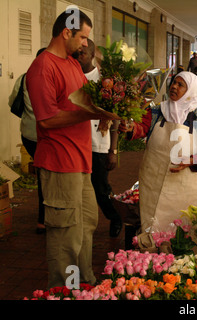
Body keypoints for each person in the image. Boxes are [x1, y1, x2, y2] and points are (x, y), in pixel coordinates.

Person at [26, 9, 104, 289]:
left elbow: (86, 101)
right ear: (66, 32)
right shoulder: (42, 67)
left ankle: (83, 284)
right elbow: (46, 121)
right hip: (59, 163)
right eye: (83, 37)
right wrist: (92, 114)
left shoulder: (72, 64)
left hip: (81, 162)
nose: (86, 43)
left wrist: (109, 106)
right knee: (64, 234)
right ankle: (63, 290)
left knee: (85, 226)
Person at [118, 71, 197, 250]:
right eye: (174, 82)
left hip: (188, 185)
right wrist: (130, 127)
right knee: (154, 225)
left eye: (181, 85)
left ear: (192, 91)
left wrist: (189, 161)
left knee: (186, 230)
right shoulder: (157, 111)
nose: (174, 87)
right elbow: (140, 129)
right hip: (154, 180)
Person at [74, 38, 122, 238]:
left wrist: (113, 151)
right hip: (75, 143)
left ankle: (115, 216)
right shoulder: (71, 75)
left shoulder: (105, 79)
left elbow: (115, 117)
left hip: (97, 145)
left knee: (101, 189)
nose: (78, 57)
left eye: (82, 53)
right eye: (76, 53)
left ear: (92, 55)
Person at [8, 48, 46, 234]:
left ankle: (43, 218)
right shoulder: (52, 78)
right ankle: (43, 218)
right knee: (46, 176)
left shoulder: (24, 77)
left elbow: (12, 102)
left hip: (29, 134)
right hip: (47, 135)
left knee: (42, 174)